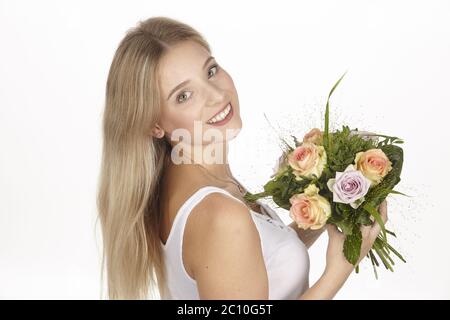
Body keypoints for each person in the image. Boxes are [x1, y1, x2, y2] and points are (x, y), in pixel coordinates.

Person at [97, 16, 388, 300]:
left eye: (210, 71)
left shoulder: (186, 180)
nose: (215, 95)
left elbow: (246, 265)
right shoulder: (220, 215)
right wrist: (339, 269)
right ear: (154, 124)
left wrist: (317, 209)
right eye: (183, 95)